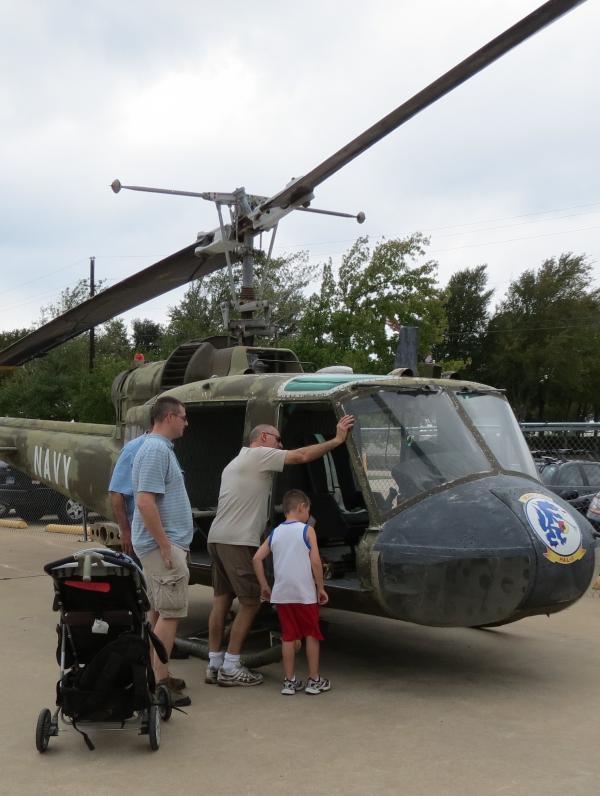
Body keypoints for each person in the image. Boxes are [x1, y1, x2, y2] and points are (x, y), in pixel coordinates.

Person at [206, 414, 354, 687]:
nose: (280, 445)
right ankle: (230, 666)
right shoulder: (258, 454)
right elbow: (300, 456)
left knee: (222, 600)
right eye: (277, 440)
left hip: (217, 538)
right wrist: (337, 439)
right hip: (238, 541)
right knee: (251, 602)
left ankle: (214, 662)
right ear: (262, 439)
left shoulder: (235, 462)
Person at [132, 396, 193, 707]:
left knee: (158, 611)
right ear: (169, 417)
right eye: (183, 417)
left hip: (161, 546)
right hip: (162, 548)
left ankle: (155, 674)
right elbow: (144, 501)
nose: (186, 422)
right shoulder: (156, 450)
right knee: (170, 613)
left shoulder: (157, 449)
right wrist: (166, 546)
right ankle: (159, 682)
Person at [253, 489, 330, 695]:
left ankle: (289, 681)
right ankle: (314, 680)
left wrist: (264, 585)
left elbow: (257, 558)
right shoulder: (307, 530)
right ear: (301, 507)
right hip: (305, 594)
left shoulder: (275, 532)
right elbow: (315, 561)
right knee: (312, 634)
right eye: (308, 510)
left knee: (288, 637)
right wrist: (320, 587)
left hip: (282, 594)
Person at [108, 433, 147, 557]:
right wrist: (125, 531)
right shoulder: (133, 448)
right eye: (183, 418)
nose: (186, 423)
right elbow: (116, 492)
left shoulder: (167, 447)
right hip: (144, 538)